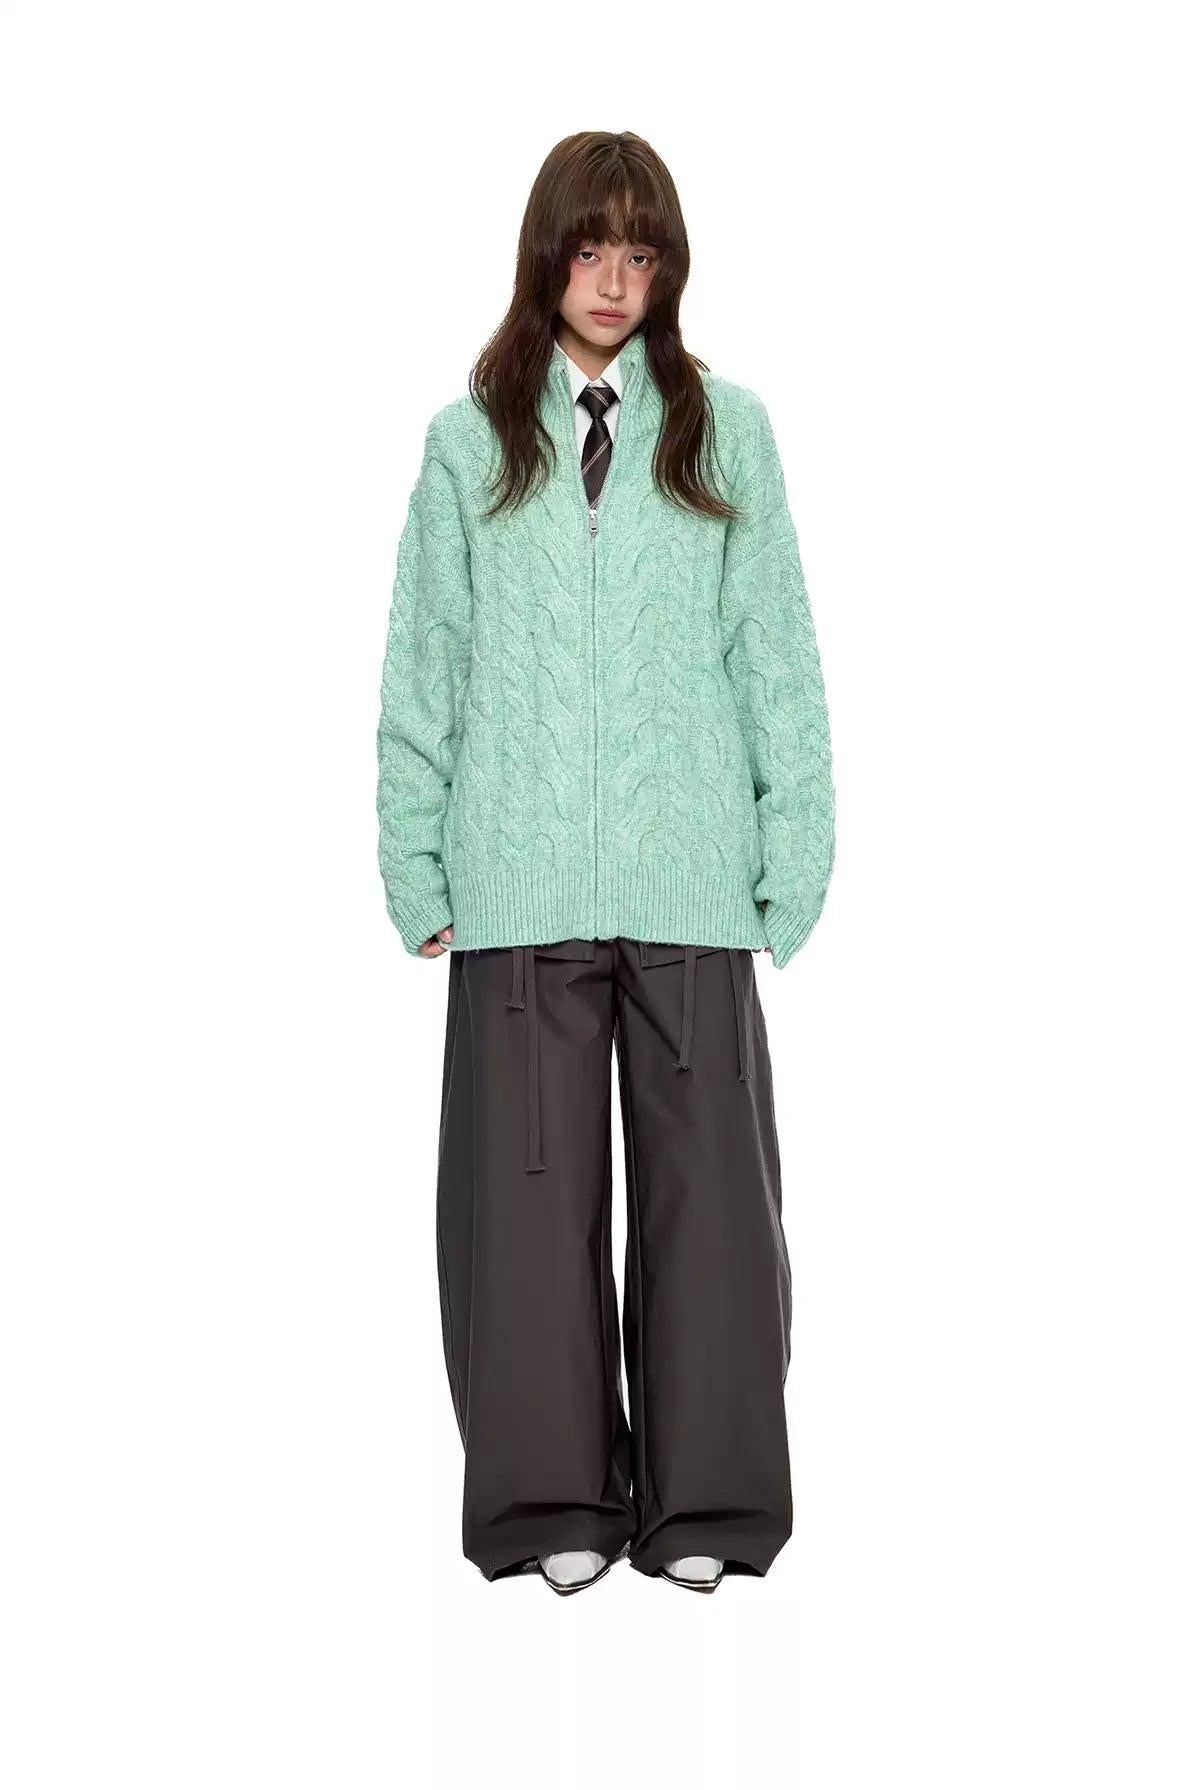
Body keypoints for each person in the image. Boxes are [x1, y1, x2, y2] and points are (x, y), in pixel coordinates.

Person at [376, 130, 836, 1595]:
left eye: (641, 256)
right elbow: (426, 664)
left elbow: (775, 653)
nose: (615, 282)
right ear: (547, 258)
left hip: (690, 878)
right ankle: (551, 1504)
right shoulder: (468, 444)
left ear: (668, 270)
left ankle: (705, 1509)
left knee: (714, 1217)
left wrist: (795, 845)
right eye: (591, 251)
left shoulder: (724, 432)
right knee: (520, 1218)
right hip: (515, 888)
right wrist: (414, 860)